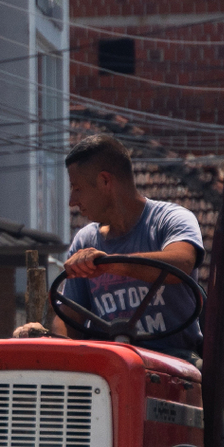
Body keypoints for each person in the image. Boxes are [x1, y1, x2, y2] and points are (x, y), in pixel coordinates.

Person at [15, 132, 206, 357]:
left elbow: (181, 263)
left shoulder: (171, 219)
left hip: (175, 361)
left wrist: (109, 264)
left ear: (105, 181)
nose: (72, 201)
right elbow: (71, 319)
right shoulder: (84, 240)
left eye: (77, 188)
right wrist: (51, 339)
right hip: (109, 365)